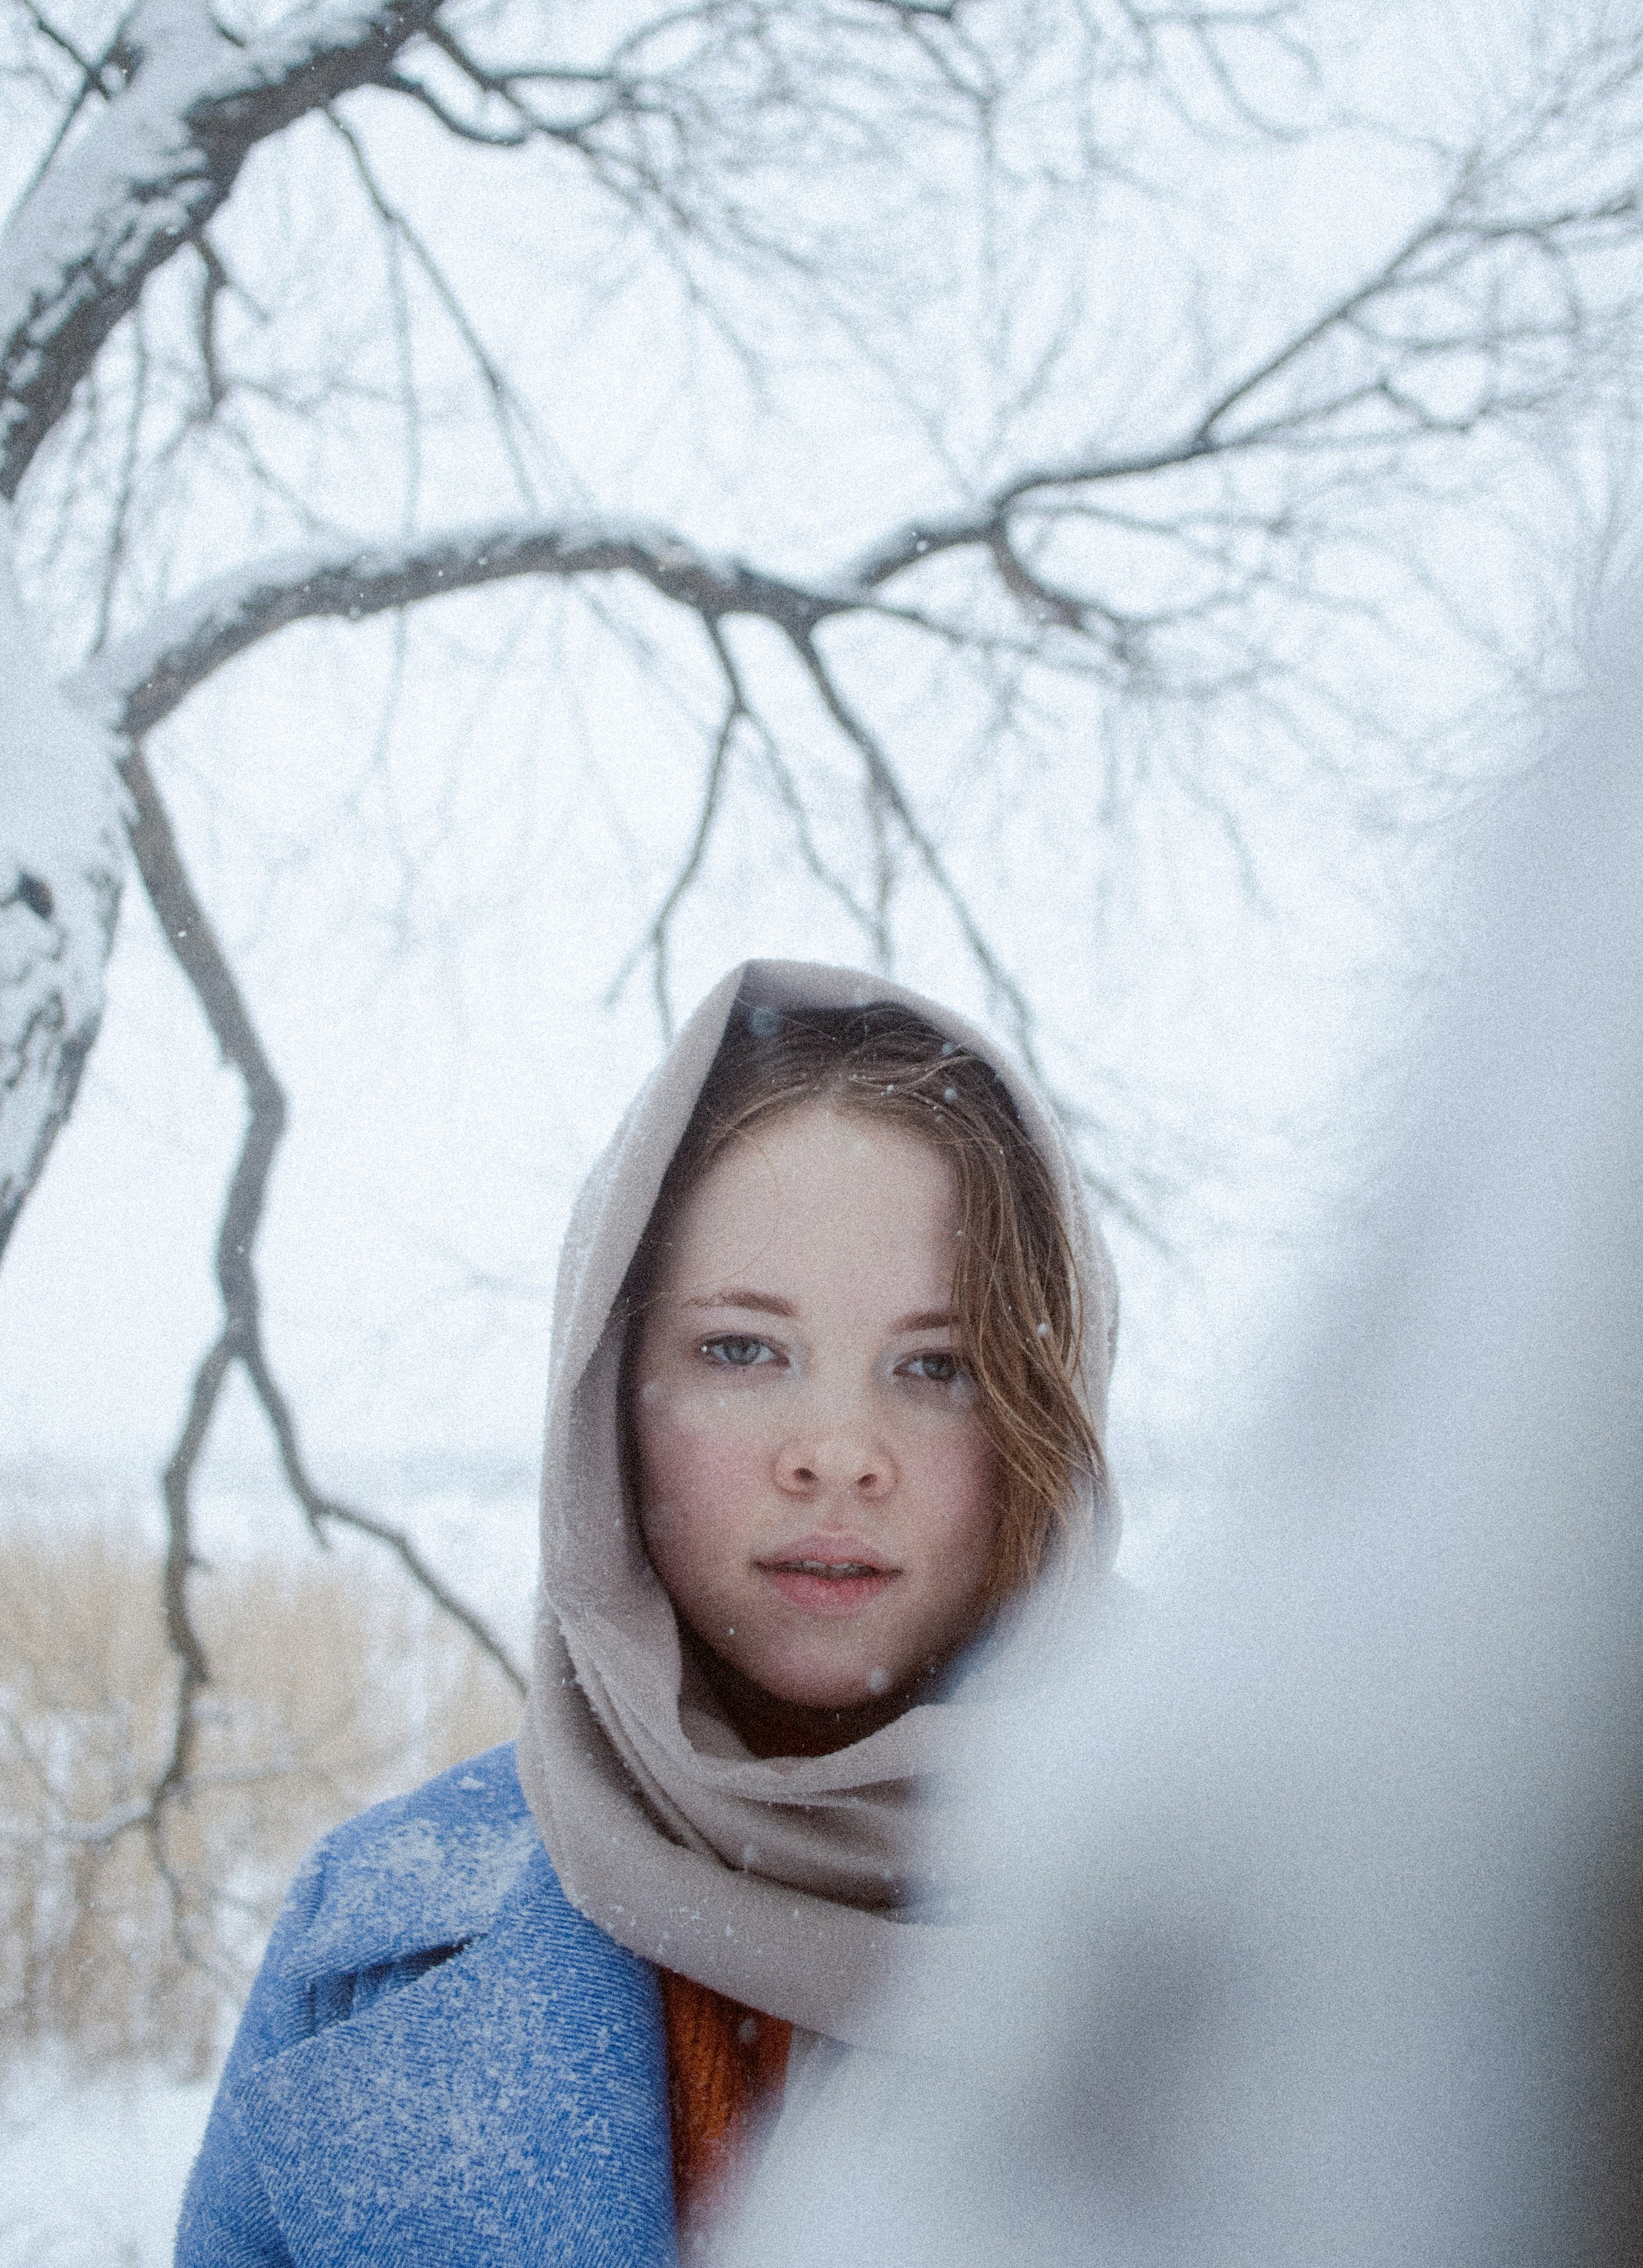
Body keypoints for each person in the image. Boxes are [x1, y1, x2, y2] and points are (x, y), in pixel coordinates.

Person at [174, 957, 1121, 2268]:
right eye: (743, 1347)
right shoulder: (373, 1931)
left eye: (939, 1365)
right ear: (609, 1394)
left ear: (1045, 1421)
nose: (839, 1453)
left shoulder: (1267, 1951)